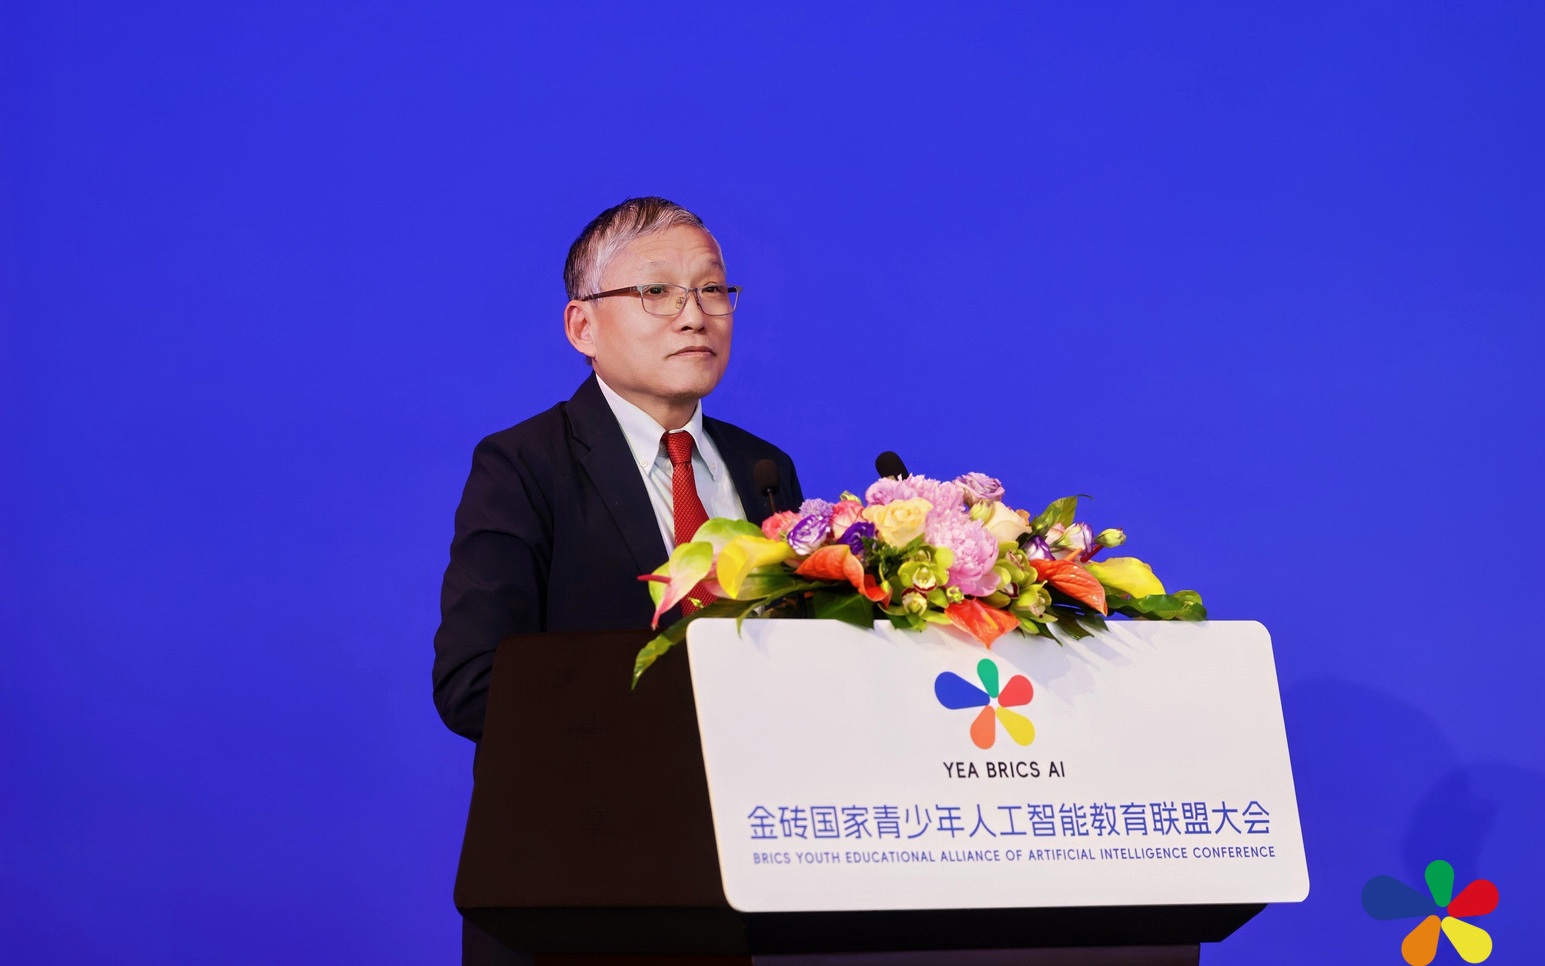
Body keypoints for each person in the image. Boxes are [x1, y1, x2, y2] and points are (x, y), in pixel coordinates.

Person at [432, 197, 803, 963]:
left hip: (751, 878)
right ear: (582, 327)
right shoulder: (523, 466)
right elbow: (473, 685)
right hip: (580, 884)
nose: (693, 315)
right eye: (655, 291)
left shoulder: (764, 469)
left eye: (712, 289)